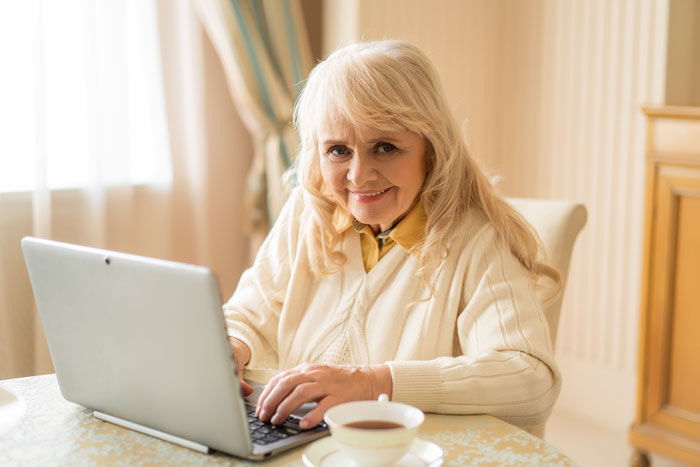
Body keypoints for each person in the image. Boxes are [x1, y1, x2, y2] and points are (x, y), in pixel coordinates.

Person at [224, 40, 561, 433]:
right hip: (304, 441)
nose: (358, 175)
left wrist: (374, 382)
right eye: (338, 150)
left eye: (385, 147)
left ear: (431, 149)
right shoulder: (307, 211)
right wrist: (231, 345)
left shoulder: (476, 239)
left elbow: (531, 379)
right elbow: (250, 313)